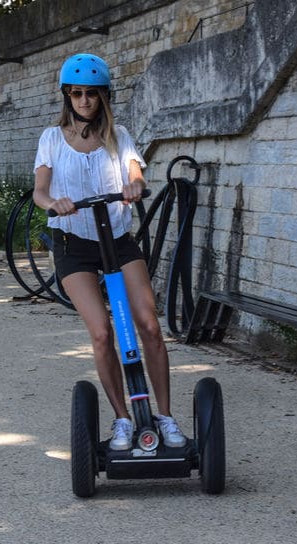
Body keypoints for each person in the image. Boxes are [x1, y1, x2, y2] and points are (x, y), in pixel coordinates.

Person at [33, 53, 186, 451]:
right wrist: (52, 203)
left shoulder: (120, 137)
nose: (84, 101)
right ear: (67, 96)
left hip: (117, 241)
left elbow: (135, 172)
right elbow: (39, 190)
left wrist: (135, 185)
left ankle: (165, 416)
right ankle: (122, 419)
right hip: (73, 246)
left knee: (149, 326)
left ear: (104, 97)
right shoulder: (51, 139)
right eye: (77, 93)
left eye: (92, 94)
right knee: (102, 332)